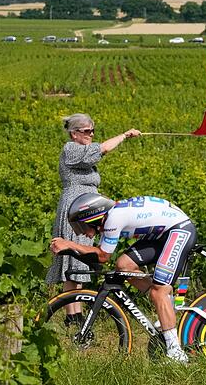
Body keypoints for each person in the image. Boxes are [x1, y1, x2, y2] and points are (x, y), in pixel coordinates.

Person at [50, 193, 197, 363]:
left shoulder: (113, 218)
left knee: (159, 292)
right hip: (161, 235)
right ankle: (166, 307)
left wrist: (69, 245)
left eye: (83, 228)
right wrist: (69, 249)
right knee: (123, 266)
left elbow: (102, 257)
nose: (85, 234)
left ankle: (176, 353)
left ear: (94, 218)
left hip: (179, 231)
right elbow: (100, 259)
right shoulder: (112, 215)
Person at [44, 113, 140, 327]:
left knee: (80, 258)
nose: (91, 135)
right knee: (72, 258)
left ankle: (76, 312)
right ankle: (72, 315)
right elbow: (102, 149)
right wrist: (124, 135)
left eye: (92, 131)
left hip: (87, 208)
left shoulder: (81, 151)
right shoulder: (71, 149)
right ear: (74, 134)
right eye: (87, 131)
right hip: (76, 208)